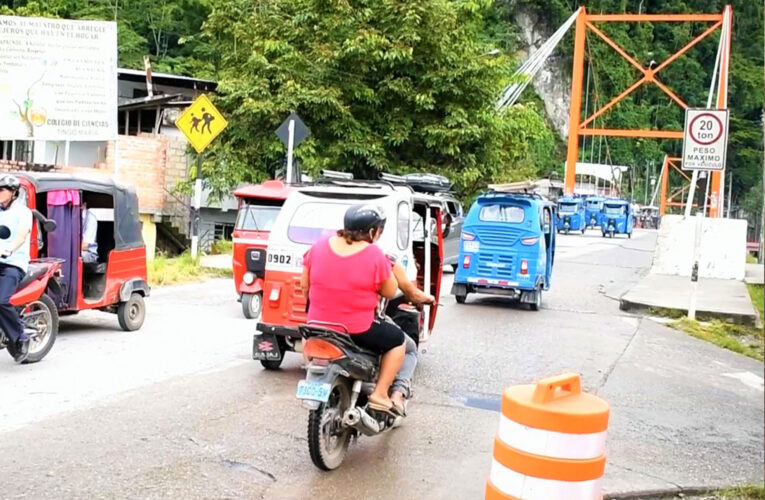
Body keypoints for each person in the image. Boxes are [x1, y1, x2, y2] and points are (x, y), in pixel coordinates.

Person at [301, 204, 405, 415]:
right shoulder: (374, 254)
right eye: (379, 230)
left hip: (315, 325)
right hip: (356, 329)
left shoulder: (319, 246)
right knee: (398, 340)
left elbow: (305, 285)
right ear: (372, 232)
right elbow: (389, 290)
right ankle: (380, 393)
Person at [387, 260, 434, 413]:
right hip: (361, 323)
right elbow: (388, 292)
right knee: (409, 348)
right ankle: (396, 394)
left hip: (319, 321)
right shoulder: (383, 260)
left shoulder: (319, 251)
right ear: (374, 234)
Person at [0, 175, 33, 363]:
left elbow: (21, 235)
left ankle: (21, 336)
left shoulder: (23, 212)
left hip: (12, 263)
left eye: (1, 190)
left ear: (13, 193)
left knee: (2, 301)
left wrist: (9, 249)